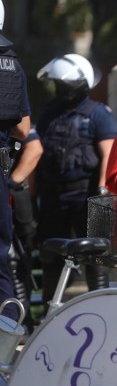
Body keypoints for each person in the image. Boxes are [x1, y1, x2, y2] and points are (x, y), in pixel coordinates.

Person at [35, 53, 117, 304]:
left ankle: (99, 306)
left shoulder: (98, 113)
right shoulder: (51, 113)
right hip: (53, 195)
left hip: (85, 195)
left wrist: (102, 191)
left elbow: (108, 153)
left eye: (64, 85)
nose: (60, 89)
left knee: (94, 255)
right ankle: (48, 314)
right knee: (50, 255)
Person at [0, 0, 33, 319]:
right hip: (0, 170)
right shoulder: (12, 63)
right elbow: (24, 129)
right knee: (2, 261)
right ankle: (7, 341)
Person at [7, 130, 42, 330]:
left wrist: (11, 182)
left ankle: (22, 324)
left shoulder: (12, 113)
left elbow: (35, 148)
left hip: (14, 204)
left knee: (15, 263)